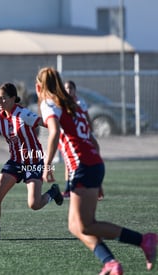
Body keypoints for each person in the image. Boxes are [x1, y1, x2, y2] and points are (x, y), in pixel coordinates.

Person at [35, 67, 157, 274]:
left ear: (39, 87)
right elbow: (91, 139)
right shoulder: (73, 104)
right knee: (75, 226)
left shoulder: (49, 102)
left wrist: (47, 166)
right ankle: (110, 262)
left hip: (81, 165)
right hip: (93, 163)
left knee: (86, 225)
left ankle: (143, 240)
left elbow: (54, 132)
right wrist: (97, 178)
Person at [0, 82, 64, 241]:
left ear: (13, 99)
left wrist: (60, 126)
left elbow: (47, 124)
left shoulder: (24, 114)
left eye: (3, 98)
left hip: (33, 161)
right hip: (15, 162)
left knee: (34, 204)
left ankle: (53, 192)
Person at [62, 80, 104, 200]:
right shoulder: (63, 104)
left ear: (75, 90)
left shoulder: (80, 102)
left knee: (93, 154)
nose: (68, 91)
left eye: (70, 88)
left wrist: (90, 132)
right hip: (72, 136)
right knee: (68, 162)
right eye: (66, 89)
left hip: (83, 134)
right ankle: (68, 188)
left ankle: (93, 186)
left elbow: (86, 117)